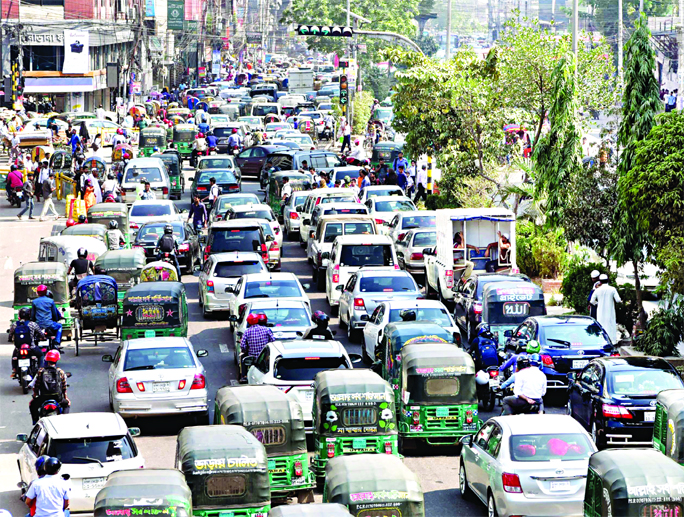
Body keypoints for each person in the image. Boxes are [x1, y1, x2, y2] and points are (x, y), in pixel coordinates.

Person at [11, 308, 45, 379]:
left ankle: (14, 370)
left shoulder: (15, 324)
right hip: (31, 347)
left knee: (14, 357)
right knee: (41, 355)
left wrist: (10, 339)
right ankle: (40, 370)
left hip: (18, 348)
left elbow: (10, 334)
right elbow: (40, 333)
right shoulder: (33, 324)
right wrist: (43, 337)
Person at [591, 273, 622, 343]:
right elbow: (618, 300)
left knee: (601, 327)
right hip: (610, 312)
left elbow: (592, 301)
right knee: (610, 327)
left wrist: (598, 304)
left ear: (600, 281)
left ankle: (601, 341)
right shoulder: (612, 289)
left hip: (600, 313)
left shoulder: (597, 290)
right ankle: (612, 342)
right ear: (608, 280)